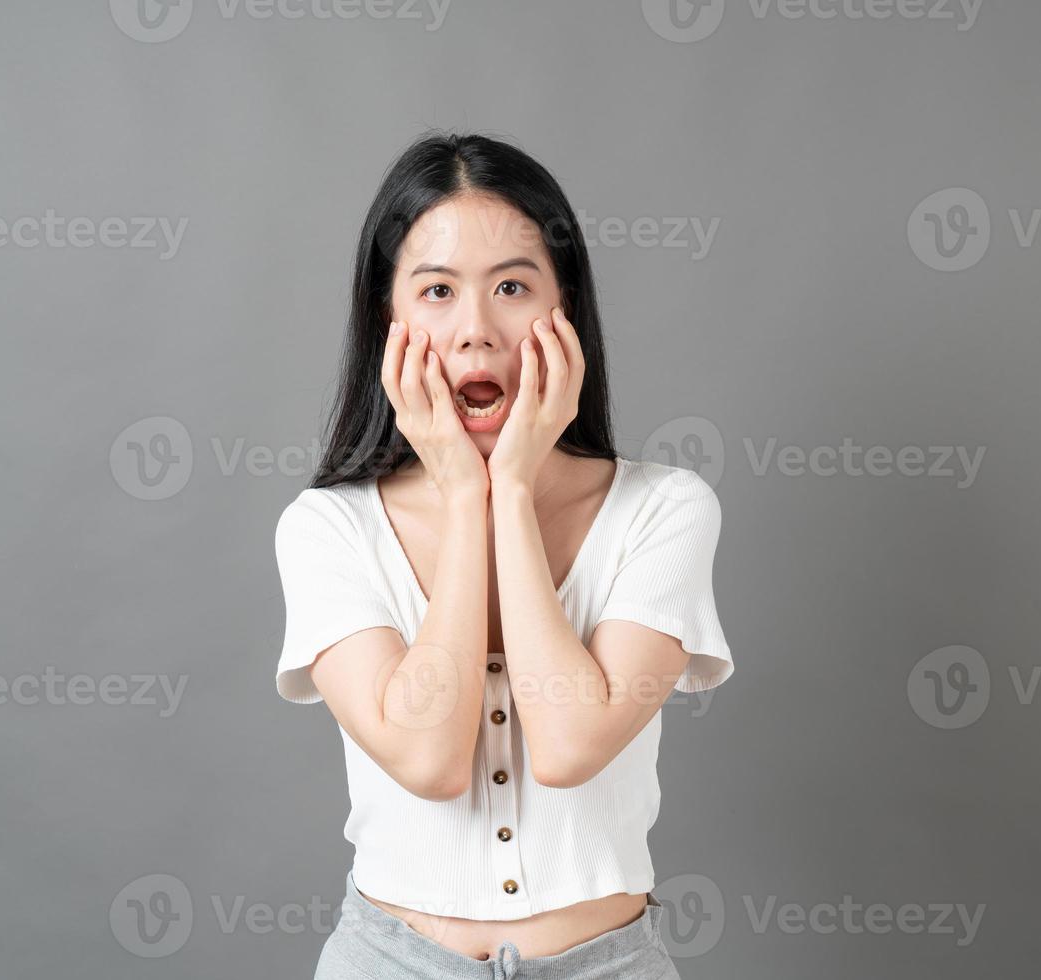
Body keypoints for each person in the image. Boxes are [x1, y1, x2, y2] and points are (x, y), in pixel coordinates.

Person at [273, 131, 734, 979]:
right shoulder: (326, 528)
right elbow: (428, 758)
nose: (476, 333)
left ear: (565, 310)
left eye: (513, 287)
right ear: (390, 317)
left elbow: (570, 742)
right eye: (438, 290)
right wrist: (462, 494)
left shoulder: (664, 510)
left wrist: (510, 492)